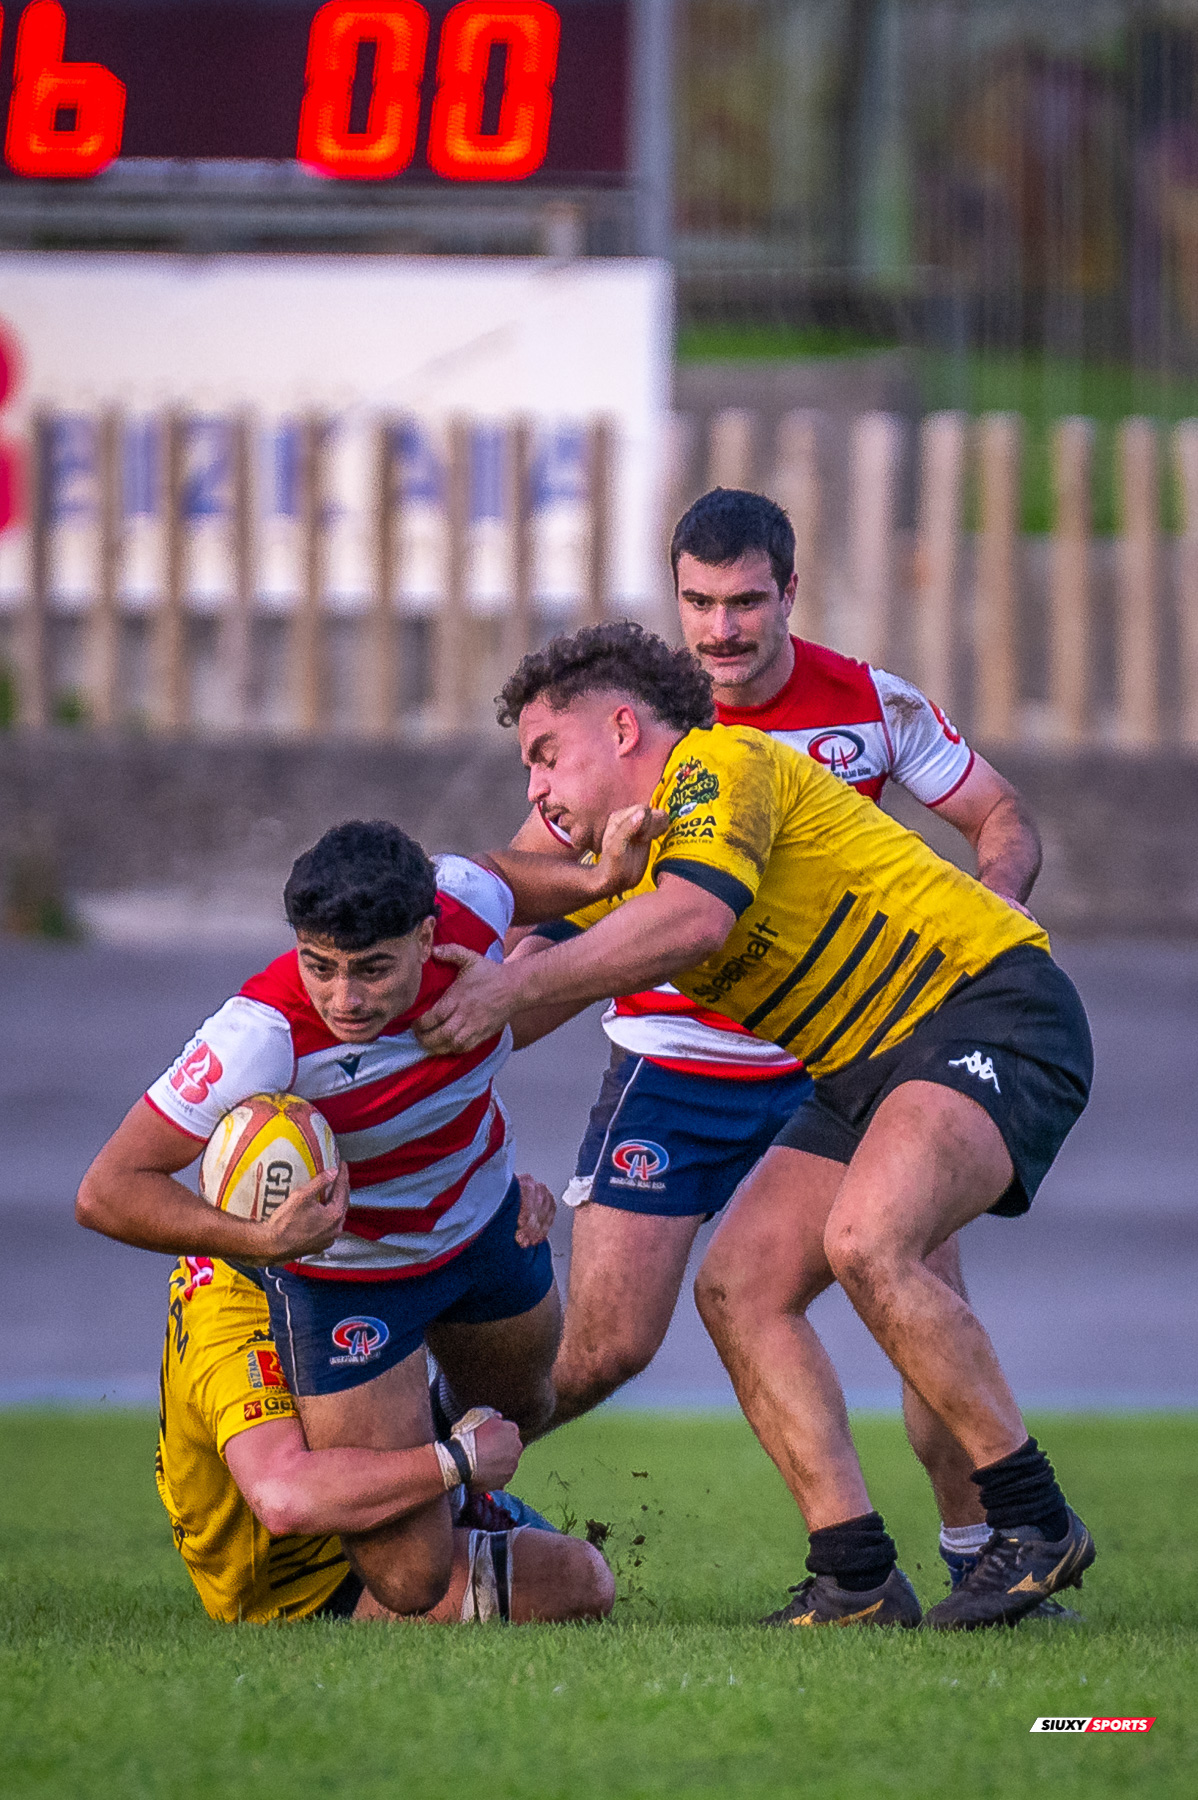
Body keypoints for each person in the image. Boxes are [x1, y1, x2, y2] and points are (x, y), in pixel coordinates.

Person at [415, 621, 1095, 1631]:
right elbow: (530, 1000)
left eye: (545, 755)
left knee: (869, 1240)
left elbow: (696, 925)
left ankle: (1032, 1525)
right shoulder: (637, 863)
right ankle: (854, 1574)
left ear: (620, 727)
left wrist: (511, 982)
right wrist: (377, 1054)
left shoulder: (721, 761)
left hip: (986, 1006)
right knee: (738, 1289)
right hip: (861, 1071)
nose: (535, 790)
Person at [506, 487, 1045, 1605]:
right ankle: (422, 1477)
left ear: (789, 592)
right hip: (672, 1061)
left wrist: (988, 920)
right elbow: (536, 893)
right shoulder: (640, 727)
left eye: (745, 601)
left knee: (920, 1308)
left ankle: (981, 1562)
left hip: (845, 1056)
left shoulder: (867, 704)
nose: (720, 631)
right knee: (603, 1344)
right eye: (697, 603)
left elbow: (1002, 815)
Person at [77, 815, 657, 1621]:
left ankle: (442, 1469)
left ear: (427, 937)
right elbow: (106, 1188)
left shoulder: (463, 905)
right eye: (321, 967)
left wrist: (598, 882)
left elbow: (497, 869)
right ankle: (435, 1480)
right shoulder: (260, 1034)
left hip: (481, 1230)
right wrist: (259, 1240)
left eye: (373, 970)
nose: (344, 997)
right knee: (410, 1581)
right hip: (355, 1280)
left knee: (527, 1405)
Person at [156, 1252, 613, 1624]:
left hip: (346, 1508)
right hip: (307, 1583)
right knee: (578, 1579)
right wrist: (459, 1460)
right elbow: (283, 1497)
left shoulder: (281, 1261)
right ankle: (448, 1504)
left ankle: (450, 1507)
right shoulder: (234, 1329)